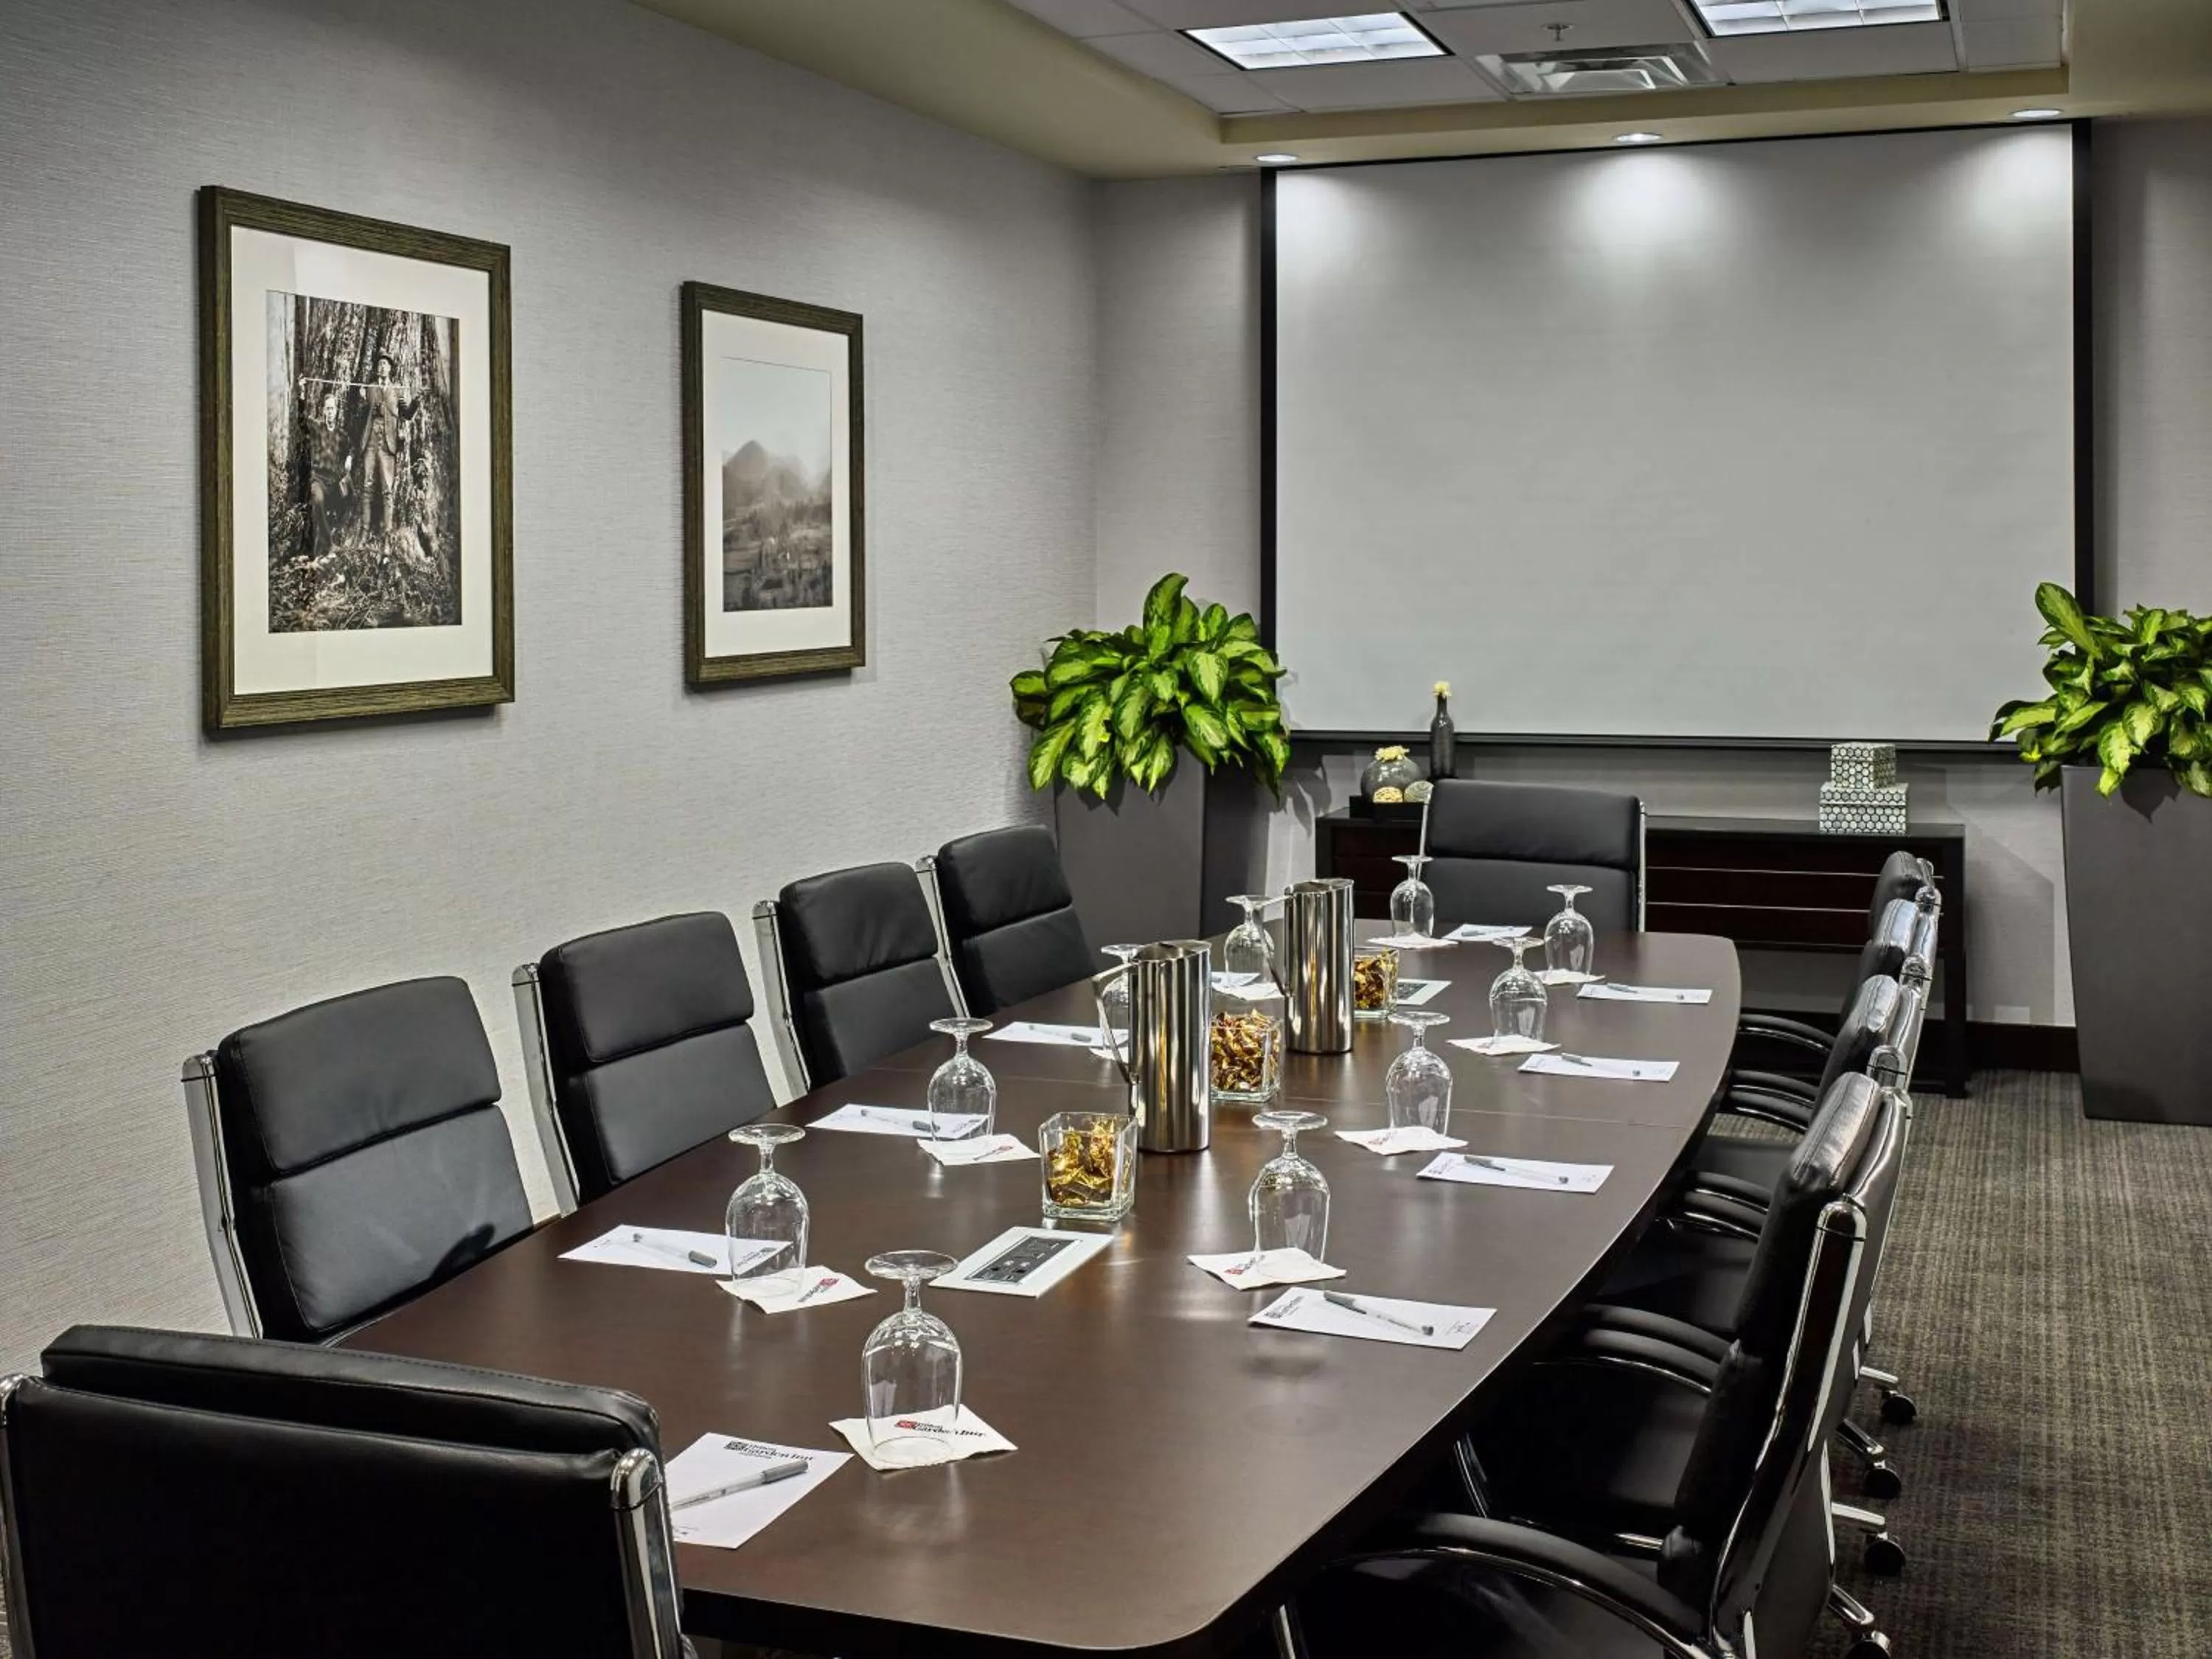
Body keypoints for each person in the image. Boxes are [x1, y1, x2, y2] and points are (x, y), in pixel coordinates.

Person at [352, 349, 420, 542]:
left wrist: (415, 401)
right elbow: (360, 416)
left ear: (390, 368)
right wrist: (362, 400)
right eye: (379, 364)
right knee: (367, 486)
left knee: (387, 490)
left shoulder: (396, 390)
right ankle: (364, 532)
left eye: (385, 364)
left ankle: (388, 534)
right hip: (370, 442)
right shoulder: (370, 388)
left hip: (388, 444)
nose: (381, 367)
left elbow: (406, 415)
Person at [299, 389, 350, 561]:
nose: (330, 412)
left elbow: (352, 448)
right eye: (327, 409)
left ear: (337, 411)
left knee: (352, 500)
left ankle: (335, 532)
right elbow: (302, 418)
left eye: (333, 409)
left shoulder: (341, 435)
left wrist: (350, 458)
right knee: (318, 501)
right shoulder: (317, 428)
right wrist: (302, 394)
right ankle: (329, 544)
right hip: (318, 480)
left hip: (334, 483)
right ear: (324, 411)